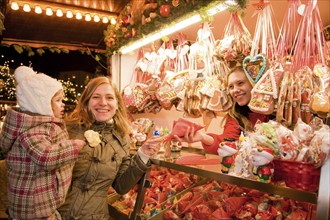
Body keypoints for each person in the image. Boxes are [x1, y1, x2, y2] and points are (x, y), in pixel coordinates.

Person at [58, 76, 162, 220]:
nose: (103, 103)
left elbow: (121, 186)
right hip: (57, 214)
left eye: (109, 98)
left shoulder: (122, 138)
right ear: (86, 102)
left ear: (117, 104)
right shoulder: (67, 129)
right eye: (96, 97)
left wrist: (142, 155)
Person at [0, 66, 85, 220]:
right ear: (41, 104)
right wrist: (74, 146)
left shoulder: (40, 126)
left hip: (41, 204)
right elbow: (45, 156)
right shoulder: (32, 131)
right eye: (58, 100)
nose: (63, 104)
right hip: (33, 209)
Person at [175, 66, 269, 154]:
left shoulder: (275, 112)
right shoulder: (235, 115)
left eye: (240, 83)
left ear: (253, 83)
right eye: (231, 87)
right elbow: (226, 142)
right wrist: (202, 137)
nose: (235, 90)